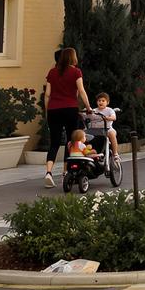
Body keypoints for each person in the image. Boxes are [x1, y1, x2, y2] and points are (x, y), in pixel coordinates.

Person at [42, 47, 92, 188]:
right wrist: (88, 107)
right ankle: (66, 172)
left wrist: (48, 110)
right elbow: (81, 91)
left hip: (54, 110)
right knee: (71, 141)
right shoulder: (76, 72)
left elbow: (47, 94)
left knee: (55, 142)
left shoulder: (52, 72)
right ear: (72, 57)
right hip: (70, 109)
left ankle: (49, 172)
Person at [89, 92, 120, 161]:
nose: (101, 102)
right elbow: (86, 116)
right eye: (99, 101)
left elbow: (114, 117)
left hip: (107, 129)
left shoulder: (109, 110)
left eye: (103, 101)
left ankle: (115, 153)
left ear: (107, 102)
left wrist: (107, 118)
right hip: (95, 130)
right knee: (83, 134)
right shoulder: (94, 110)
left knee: (112, 133)